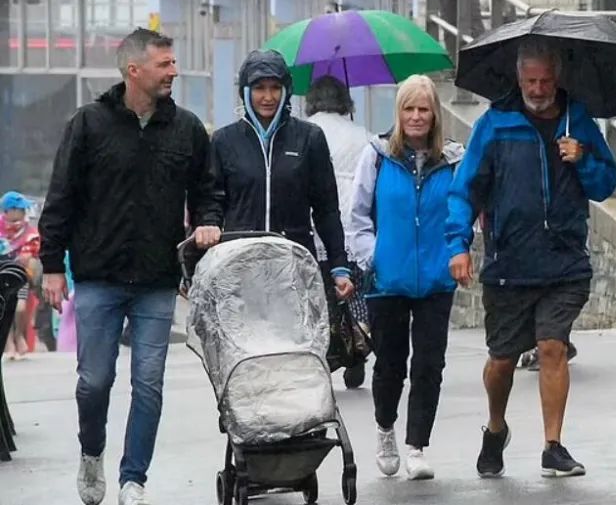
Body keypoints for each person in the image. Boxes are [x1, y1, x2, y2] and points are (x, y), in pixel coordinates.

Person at [37, 28, 223, 505]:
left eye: (174, 63)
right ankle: (92, 453)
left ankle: (132, 479)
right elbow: (61, 197)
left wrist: (207, 223)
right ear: (133, 70)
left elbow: (207, 191)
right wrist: (53, 265)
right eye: (165, 64)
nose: (174, 72)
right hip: (98, 276)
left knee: (149, 384)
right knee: (94, 381)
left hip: (158, 280)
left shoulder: (186, 129)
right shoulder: (88, 124)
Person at [446, 38, 616, 478]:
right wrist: (458, 245)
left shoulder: (576, 119)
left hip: (563, 260)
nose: (538, 89)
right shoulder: (495, 124)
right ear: (518, 78)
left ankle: (553, 445)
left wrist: (583, 159)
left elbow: (605, 183)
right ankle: (496, 426)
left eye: (544, 80)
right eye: (530, 81)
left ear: (556, 77)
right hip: (509, 264)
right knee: (502, 361)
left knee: (551, 347)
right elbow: (465, 190)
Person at [346, 75, 463, 481]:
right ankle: (384, 428)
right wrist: (371, 257)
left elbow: (463, 215)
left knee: (429, 365)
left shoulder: (452, 161)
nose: (416, 117)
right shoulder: (377, 156)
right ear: (398, 113)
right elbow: (357, 214)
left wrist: (456, 253)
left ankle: (417, 446)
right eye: (409, 109)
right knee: (390, 365)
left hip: (436, 280)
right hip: (387, 280)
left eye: (424, 109)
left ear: (435, 115)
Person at [211, 50, 355, 304]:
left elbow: (327, 209)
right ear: (245, 91)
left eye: (275, 88)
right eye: (259, 88)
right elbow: (211, 204)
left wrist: (339, 266)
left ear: (286, 91)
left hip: (294, 267)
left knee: (294, 344)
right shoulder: (224, 141)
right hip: (240, 267)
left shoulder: (309, 138)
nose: (268, 97)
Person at [305, 75, 372, 389]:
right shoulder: (364, 137)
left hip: (316, 229)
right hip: (353, 229)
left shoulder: (305, 133)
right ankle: (357, 353)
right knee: (354, 297)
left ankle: (326, 357)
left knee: (321, 302)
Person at [2, 191, 39, 361]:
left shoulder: (29, 232)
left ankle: (19, 336)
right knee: (4, 308)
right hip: (2, 276)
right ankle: (8, 342)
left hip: (20, 275)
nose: (23, 213)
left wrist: (28, 257)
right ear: (8, 211)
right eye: (18, 209)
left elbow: (35, 252)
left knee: (20, 308)